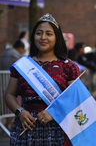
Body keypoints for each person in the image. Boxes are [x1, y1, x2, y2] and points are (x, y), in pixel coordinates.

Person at [4, 13, 80, 146]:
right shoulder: (22, 65)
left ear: (57, 37)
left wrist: (54, 113)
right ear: (33, 36)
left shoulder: (69, 66)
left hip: (58, 128)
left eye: (49, 34)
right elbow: (9, 94)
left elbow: (75, 98)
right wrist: (19, 111)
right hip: (26, 126)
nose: (43, 37)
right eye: (39, 33)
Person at [0, 40, 25, 130]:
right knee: (14, 102)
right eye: (23, 49)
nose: (23, 51)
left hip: (3, 81)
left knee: (6, 103)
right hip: (12, 82)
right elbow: (24, 64)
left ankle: (7, 123)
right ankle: (9, 124)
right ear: (20, 48)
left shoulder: (5, 52)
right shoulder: (16, 55)